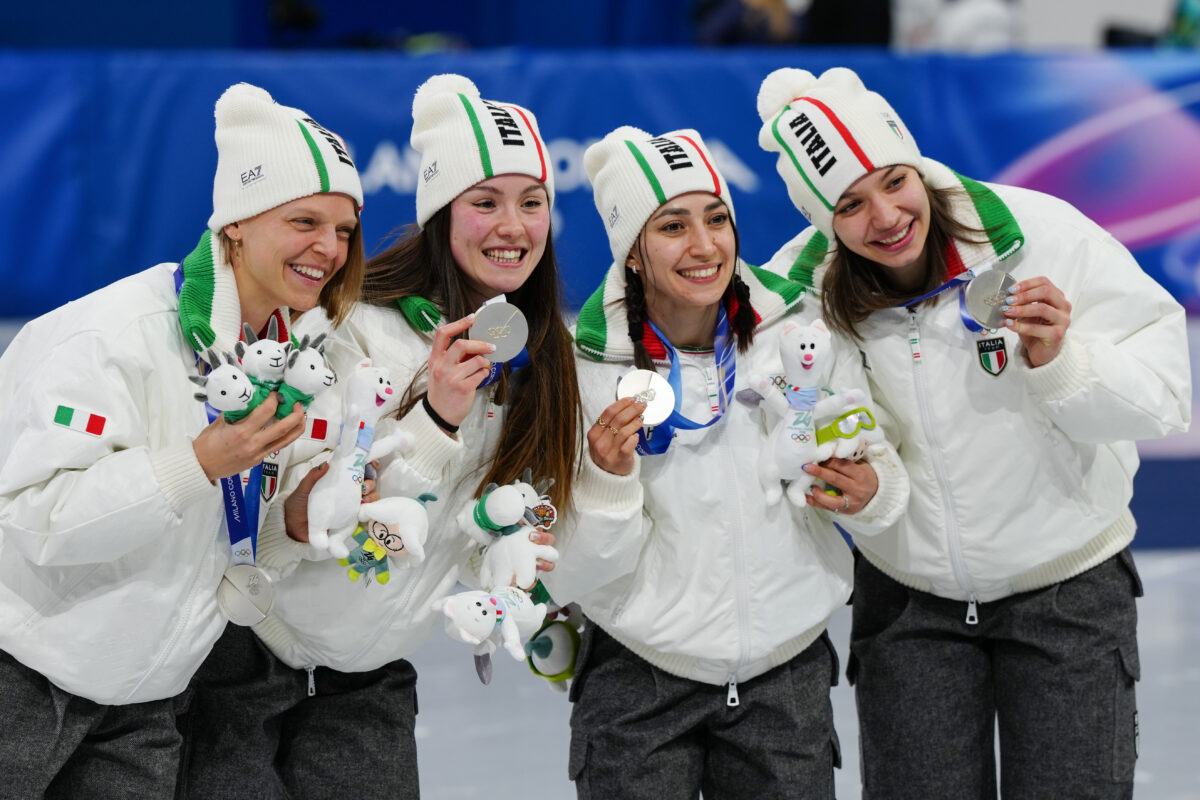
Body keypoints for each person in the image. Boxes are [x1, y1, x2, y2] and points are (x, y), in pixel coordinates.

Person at [756, 66, 1192, 799]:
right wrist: (862, 491)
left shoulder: (1041, 236)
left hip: (1067, 596)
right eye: (851, 205)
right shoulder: (804, 297)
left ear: (918, 165)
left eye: (894, 181)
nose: (886, 215)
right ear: (824, 221)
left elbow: (1165, 396)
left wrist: (1063, 361)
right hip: (908, 608)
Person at [176, 73, 579, 799]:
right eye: (484, 202)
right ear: (439, 214)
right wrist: (435, 419)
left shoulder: (544, 358)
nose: (512, 227)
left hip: (369, 680)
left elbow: (485, 522)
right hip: (246, 661)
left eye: (532, 202)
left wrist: (510, 561)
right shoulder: (351, 322)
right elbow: (304, 513)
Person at [0, 82, 363, 797]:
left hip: (151, 703)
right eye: (304, 221)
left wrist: (290, 520)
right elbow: (35, 518)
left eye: (345, 229)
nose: (328, 248)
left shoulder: (289, 359)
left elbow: (218, 537)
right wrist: (196, 463)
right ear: (236, 224)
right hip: (22, 676)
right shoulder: (105, 338)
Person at [540, 125, 909, 800]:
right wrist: (610, 483)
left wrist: (872, 494)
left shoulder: (796, 333)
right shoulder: (580, 372)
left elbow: (880, 474)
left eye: (717, 219)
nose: (705, 245)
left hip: (786, 677)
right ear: (631, 253)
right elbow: (570, 571)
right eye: (672, 226)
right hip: (638, 683)